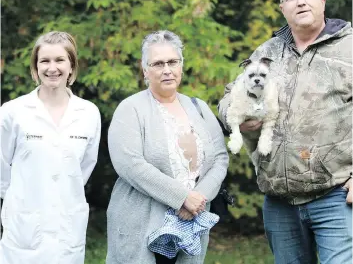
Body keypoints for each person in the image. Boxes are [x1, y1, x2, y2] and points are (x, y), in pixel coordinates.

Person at [218, 0, 352, 264]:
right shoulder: (268, 52)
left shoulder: (349, 48)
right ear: (282, 8)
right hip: (279, 202)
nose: (300, 1)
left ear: (322, 1)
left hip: (336, 197)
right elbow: (230, 95)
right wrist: (236, 117)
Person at [107, 30, 229, 264]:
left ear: (181, 66)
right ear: (145, 70)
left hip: (191, 222)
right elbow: (130, 165)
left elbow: (220, 159)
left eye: (173, 62)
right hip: (142, 225)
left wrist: (197, 199)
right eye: (157, 63)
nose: (167, 69)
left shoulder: (199, 107)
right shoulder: (130, 109)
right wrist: (182, 197)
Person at [0, 31, 101, 264]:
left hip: (68, 228)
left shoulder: (88, 113)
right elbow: (1, 166)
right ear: (35, 67)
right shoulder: (13, 112)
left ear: (72, 66)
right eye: (44, 60)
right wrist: (20, 199)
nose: (52, 68)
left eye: (60, 60)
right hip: (23, 230)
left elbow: (84, 166)